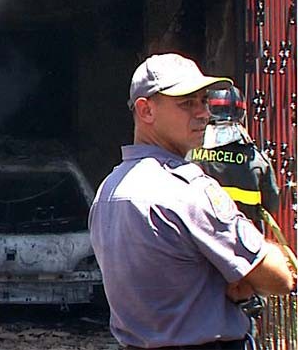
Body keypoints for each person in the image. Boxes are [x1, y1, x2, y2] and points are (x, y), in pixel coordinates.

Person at [88, 53, 294, 350]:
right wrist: (239, 276)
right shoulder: (186, 188)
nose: (202, 113)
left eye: (203, 101)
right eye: (187, 103)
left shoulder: (107, 191)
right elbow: (279, 278)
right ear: (146, 111)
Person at [187, 85, 279, 232]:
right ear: (241, 112)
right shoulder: (257, 159)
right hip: (246, 244)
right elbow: (272, 205)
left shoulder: (189, 154)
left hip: (200, 242)